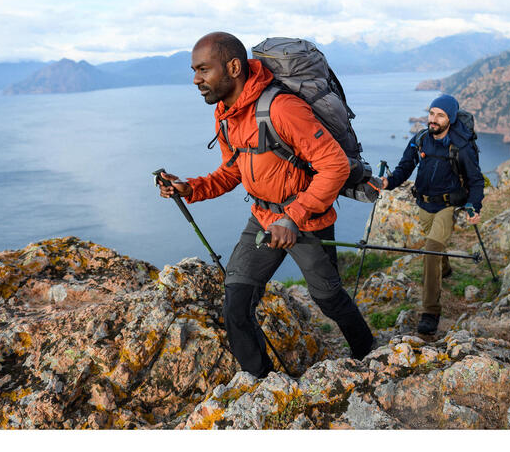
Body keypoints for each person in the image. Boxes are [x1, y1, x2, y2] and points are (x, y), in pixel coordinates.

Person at [157, 32, 374, 378]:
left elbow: (334, 165)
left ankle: (369, 354)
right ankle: (262, 383)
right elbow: (232, 172)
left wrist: (293, 218)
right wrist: (189, 188)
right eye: (194, 71)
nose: (196, 79)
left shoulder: (282, 109)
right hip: (262, 218)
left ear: (233, 67)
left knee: (329, 299)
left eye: (203, 70)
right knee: (236, 305)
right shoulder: (226, 113)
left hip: (305, 220)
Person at [381, 94, 484, 335]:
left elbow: (476, 180)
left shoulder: (461, 146)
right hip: (424, 205)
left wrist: (474, 206)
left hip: (447, 206)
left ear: (450, 118)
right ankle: (445, 268)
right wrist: (389, 182)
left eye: (440, 115)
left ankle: (430, 311)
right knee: (436, 247)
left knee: (430, 250)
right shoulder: (421, 139)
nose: (433, 119)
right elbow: (405, 167)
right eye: (431, 113)